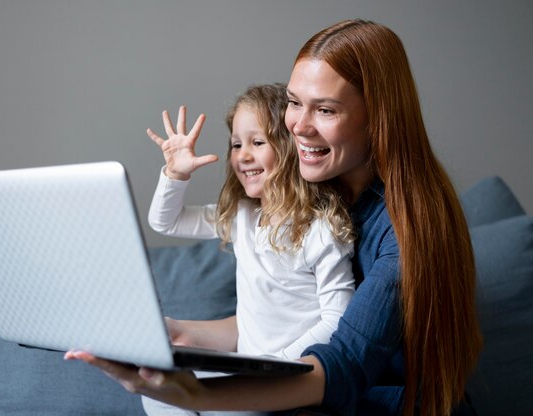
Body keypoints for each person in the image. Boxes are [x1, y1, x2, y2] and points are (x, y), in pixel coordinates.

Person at [65, 19, 483, 416]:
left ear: (379, 118)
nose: (298, 127)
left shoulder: (406, 228)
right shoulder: (318, 191)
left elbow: (345, 360)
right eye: (294, 103)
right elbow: (286, 312)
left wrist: (200, 393)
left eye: (326, 110)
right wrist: (183, 335)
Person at [142, 83, 356, 415]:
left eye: (257, 142)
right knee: (157, 388)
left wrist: (276, 364)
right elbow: (166, 222)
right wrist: (175, 173)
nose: (243, 155)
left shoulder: (322, 229)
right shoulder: (241, 215)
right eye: (236, 144)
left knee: (226, 404)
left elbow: (337, 318)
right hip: (247, 368)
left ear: (288, 148)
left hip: (289, 379)